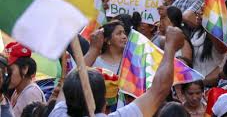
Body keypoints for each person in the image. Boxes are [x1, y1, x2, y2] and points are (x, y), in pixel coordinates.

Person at [49, 26, 186, 117]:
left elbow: (71, 79)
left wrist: (93, 50)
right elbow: (159, 90)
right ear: (104, 104)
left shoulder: (58, 113)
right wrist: (170, 47)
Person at [4, 42, 46, 117]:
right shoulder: (17, 91)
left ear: (24, 68)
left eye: (9, 71)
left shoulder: (31, 93)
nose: (6, 75)